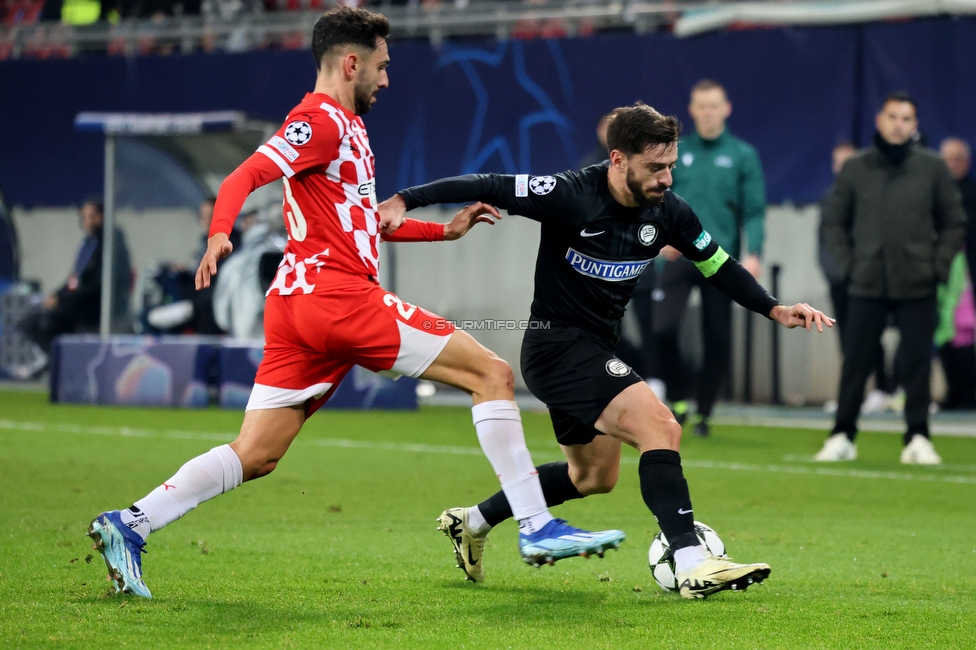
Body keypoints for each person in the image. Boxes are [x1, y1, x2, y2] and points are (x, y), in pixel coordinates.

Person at [87, 7, 619, 600]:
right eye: (382, 66)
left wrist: (440, 231)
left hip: (297, 308)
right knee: (490, 374)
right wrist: (219, 232)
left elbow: (363, 223)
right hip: (336, 298)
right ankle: (536, 523)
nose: (387, 80)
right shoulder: (320, 121)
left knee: (257, 452)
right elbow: (241, 178)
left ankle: (129, 524)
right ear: (351, 62)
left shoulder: (347, 128)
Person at [379, 102, 833, 598]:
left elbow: (716, 263)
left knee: (592, 475)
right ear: (618, 160)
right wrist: (405, 198)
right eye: (654, 167)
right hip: (555, 346)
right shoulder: (572, 195)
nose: (666, 178)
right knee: (661, 426)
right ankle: (691, 560)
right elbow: (488, 183)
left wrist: (774, 309)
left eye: (671, 166)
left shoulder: (670, 212)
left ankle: (474, 520)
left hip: (594, 347)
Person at [817, 92, 966, 465]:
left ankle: (917, 437)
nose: (898, 123)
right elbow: (834, 221)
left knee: (915, 363)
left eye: (906, 118)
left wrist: (938, 266)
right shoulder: (856, 168)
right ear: (879, 120)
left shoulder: (932, 168)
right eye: (892, 116)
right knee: (856, 361)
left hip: (918, 283)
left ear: (914, 125)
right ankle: (842, 435)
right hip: (866, 282)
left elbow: (954, 223)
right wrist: (849, 265)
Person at [653, 80, 767, 437]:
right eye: (701, 106)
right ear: (691, 110)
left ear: (726, 109)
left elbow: (755, 210)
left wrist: (753, 253)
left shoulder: (742, 155)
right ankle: (679, 394)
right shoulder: (676, 151)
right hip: (676, 257)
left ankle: (703, 412)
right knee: (663, 329)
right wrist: (657, 239)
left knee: (717, 337)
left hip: (719, 260)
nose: (707, 112)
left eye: (713, 105)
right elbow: (654, 196)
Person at [818, 142, 895, 413]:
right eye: (839, 162)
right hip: (841, 282)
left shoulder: (870, 196)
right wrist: (837, 273)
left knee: (870, 336)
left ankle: (884, 388)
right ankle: (853, 395)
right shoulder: (830, 197)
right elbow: (825, 243)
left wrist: (860, 272)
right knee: (846, 340)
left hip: (865, 281)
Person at [17, 199, 131, 359]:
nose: (86, 221)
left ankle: (63, 362)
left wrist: (64, 300)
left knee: (48, 321)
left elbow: (99, 285)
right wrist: (57, 295)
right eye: (84, 216)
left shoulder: (111, 244)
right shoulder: (88, 244)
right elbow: (75, 278)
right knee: (28, 323)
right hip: (76, 301)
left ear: (103, 216)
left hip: (94, 306)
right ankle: (57, 359)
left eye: (91, 216)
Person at [940, 137, 976, 298]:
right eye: (948, 159)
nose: (953, 164)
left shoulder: (973, 193)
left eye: (958, 159)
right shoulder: (930, 194)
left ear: (967, 162)